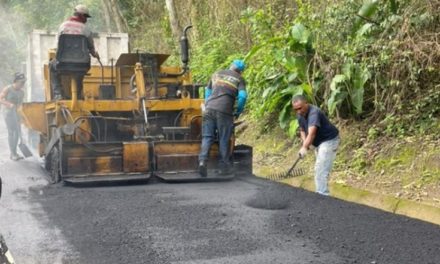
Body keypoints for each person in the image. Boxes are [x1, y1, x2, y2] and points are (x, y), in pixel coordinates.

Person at [198, 59, 248, 177]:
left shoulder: (217, 74)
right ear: (240, 72)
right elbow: (242, 97)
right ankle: (224, 167)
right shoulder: (239, 78)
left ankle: (202, 161)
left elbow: (207, 92)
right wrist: (238, 111)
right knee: (224, 138)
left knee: (207, 137)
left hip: (209, 109)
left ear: (231, 66)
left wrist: (208, 105)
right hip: (224, 111)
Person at [292, 95, 340, 195]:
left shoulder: (314, 113)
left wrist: (304, 147)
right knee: (321, 169)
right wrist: (305, 144)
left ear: (306, 103)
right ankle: (322, 194)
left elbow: (312, 133)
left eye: (300, 108)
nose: (298, 111)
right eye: (296, 109)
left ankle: (322, 196)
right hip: (319, 143)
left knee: (320, 169)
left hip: (329, 141)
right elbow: (302, 130)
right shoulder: (300, 114)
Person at [50, 4, 100, 100]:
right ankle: (78, 96)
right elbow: (91, 48)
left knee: (52, 66)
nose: (86, 19)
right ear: (81, 16)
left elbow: (57, 46)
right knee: (80, 72)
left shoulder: (63, 26)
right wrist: (95, 54)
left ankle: (58, 94)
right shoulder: (86, 29)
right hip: (82, 65)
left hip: (63, 64)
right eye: (85, 16)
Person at [0, 73, 26, 161]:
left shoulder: (22, 92)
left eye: (23, 82)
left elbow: (21, 104)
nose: (22, 84)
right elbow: (0, 99)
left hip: (17, 113)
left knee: (18, 132)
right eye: (21, 82)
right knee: (12, 132)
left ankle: (15, 153)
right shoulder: (8, 89)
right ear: (15, 81)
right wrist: (9, 104)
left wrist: (22, 115)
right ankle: (13, 154)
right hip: (8, 113)